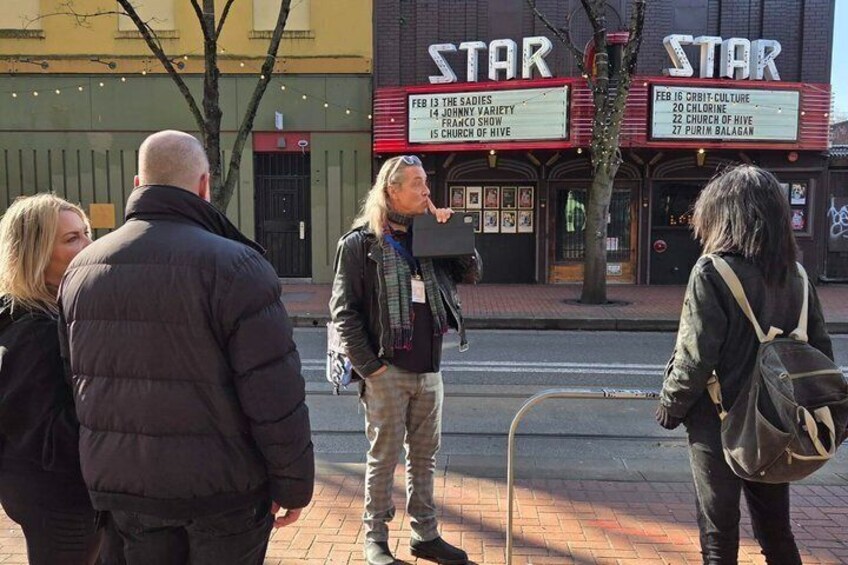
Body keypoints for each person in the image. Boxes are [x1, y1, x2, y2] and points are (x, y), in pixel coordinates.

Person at [58, 130, 314, 565]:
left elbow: (75, 385)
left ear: (138, 184)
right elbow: (274, 393)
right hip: (224, 491)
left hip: (126, 490)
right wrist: (293, 484)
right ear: (204, 184)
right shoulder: (238, 266)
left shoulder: (82, 270)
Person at [656, 165, 833, 565]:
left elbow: (696, 355)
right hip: (777, 421)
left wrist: (671, 405)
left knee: (718, 533)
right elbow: (821, 353)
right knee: (776, 531)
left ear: (723, 214)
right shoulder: (796, 275)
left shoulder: (711, 271)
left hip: (718, 420)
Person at [330, 155, 480, 565]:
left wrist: (453, 233)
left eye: (425, 181)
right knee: (384, 458)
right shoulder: (361, 244)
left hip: (429, 368)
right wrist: (372, 370)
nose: (426, 190)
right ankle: (376, 539)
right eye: (416, 183)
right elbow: (344, 313)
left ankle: (424, 535)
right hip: (387, 369)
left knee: (424, 457)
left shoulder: (431, 235)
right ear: (391, 190)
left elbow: (471, 273)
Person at [0, 194, 101, 564]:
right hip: (59, 498)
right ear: (36, 254)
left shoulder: (33, 314)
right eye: (72, 238)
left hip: (47, 490)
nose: (90, 245)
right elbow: (45, 435)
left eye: (87, 233)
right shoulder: (36, 330)